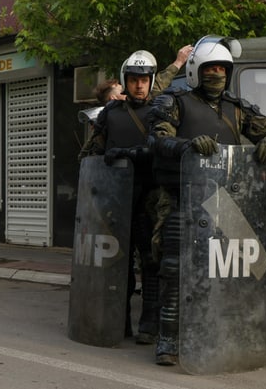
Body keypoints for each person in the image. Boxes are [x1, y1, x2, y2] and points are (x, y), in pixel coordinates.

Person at [147, 35, 266, 366]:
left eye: (222, 69)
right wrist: (185, 145)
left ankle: (239, 328)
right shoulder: (175, 101)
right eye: (210, 68)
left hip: (226, 200)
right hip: (183, 196)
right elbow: (158, 136)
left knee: (253, 266)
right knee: (174, 265)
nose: (217, 75)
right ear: (197, 70)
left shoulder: (237, 109)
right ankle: (167, 338)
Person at [78, 45, 192, 344]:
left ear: (151, 81)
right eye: (133, 79)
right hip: (117, 197)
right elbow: (92, 152)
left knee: (153, 260)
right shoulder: (111, 113)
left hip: (153, 197)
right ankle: (118, 320)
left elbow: (168, 144)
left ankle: (150, 323)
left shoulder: (164, 108)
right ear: (124, 80)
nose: (139, 84)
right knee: (118, 262)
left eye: (144, 79)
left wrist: (180, 62)